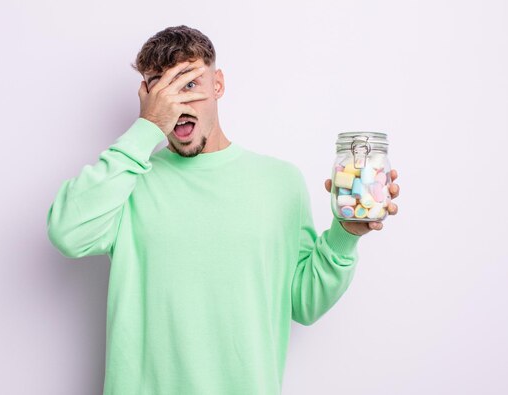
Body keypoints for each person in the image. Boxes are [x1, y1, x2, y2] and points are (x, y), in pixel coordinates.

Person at [46, 25, 400, 395]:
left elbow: (303, 303)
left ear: (218, 85)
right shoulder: (127, 183)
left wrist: (345, 235)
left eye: (189, 85)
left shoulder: (279, 183)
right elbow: (67, 233)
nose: (178, 105)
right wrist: (146, 129)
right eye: (161, 90)